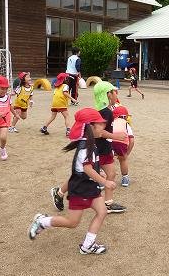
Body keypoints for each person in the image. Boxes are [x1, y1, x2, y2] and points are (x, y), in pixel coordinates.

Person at [28, 108, 114, 254]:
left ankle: (88, 245)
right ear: (90, 127)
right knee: (72, 222)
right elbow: (87, 170)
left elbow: (89, 167)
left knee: (102, 211)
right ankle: (42, 221)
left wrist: (98, 172)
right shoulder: (86, 147)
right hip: (81, 189)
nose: (103, 127)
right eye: (100, 124)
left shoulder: (90, 144)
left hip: (90, 187)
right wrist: (104, 182)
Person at [50, 81, 127, 214]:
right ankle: (60, 192)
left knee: (111, 173)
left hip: (104, 148)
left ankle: (108, 203)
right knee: (82, 175)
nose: (117, 94)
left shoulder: (106, 110)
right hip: (99, 149)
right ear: (108, 95)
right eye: (114, 92)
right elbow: (98, 133)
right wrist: (116, 137)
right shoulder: (105, 113)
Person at [112, 106, 134, 187]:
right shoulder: (126, 124)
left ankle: (102, 178)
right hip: (121, 143)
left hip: (110, 141)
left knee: (107, 161)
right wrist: (127, 153)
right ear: (125, 117)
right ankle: (125, 178)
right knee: (123, 160)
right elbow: (131, 140)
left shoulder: (112, 122)